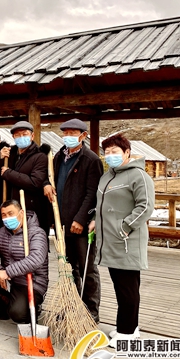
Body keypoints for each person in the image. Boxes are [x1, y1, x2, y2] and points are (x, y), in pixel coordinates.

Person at [93, 133, 154, 348]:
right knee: (121, 286)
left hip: (127, 240)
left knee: (128, 288)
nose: (110, 155)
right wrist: (94, 221)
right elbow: (102, 205)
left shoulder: (139, 176)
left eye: (115, 151)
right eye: (107, 152)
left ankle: (127, 332)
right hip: (110, 241)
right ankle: (128, 326)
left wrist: (124, 227)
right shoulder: (107, 176)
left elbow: (145, 207)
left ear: (127, 152)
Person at [43, 118, 103, 322]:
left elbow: (92, 193)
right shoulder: (58, 156)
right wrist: (46, 185)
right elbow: (50, 180)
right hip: (62, 223)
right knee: (69, 268)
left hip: (80, 225)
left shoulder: (91, 159)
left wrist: (81, 219)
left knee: (87, 268)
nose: (68, 136)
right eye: (65, 133)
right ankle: (72, 306)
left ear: (83, 135)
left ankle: (91, 312)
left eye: (72, 133)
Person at [0, 200, 49, 322]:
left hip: (31, 283)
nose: (7, 218)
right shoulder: (1, 233)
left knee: (18, 314)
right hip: (12, 281)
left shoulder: (36, 233)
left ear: (21, 213)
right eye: (4, 215)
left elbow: (36, 259)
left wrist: (7, 272)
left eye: (11, 213)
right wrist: (0, 270)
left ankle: (32, 308)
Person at [0, 121, 51, 235]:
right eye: (17, 135)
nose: (21, 137)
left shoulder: (40, 156)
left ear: (32, 136)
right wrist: (0, 159)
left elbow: (35, 182)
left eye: (24, 134)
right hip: (10, 211)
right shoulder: (10, 154)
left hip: (30, 211)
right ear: (13, 137)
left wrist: (9, 173)